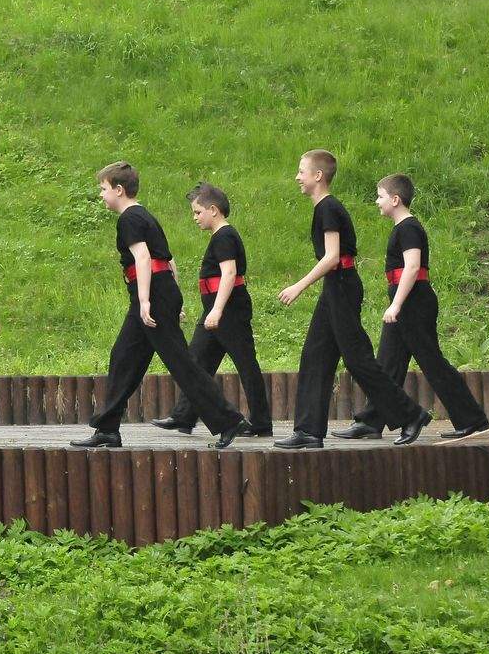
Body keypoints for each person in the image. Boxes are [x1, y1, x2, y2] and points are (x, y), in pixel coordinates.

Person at [73, 162, 247, 449]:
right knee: (123, 357)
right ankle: (107, 429)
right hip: (158, 293)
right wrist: (172, 300)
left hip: (151, 295)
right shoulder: (144, 216)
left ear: (119, 190)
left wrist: (145, 301)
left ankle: (229, 421)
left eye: (103, 189)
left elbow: (143, 258)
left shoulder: (129, 218)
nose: (101, 194)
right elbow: (169, 260)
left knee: (181, 362)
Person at [276, 150, 430, 449]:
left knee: (358, 359)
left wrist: (299, 286)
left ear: (318, 175)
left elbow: (332, 257)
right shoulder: (324, 208)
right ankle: (308, 431)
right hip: (336, 286)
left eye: (301, 171)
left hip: (342, 286)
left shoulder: (328, 208)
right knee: (315, 355)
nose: (297, 177)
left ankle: (411, 415)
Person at [332, 174, 489, 440]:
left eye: (380, 196)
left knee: (431, 361)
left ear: (395, 199)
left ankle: (472, 419)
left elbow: (413, 266)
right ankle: (372, 420)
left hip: (413, 302)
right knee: (388, 363)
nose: (377, 201)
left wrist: (396, 305)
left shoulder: (409, 228)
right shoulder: (402, 228)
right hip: (406, 301)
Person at [152, 183, 272, 436]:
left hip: (229, 310)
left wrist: (217, 310)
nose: (194, 217)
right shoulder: (219, 237)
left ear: (214, 210)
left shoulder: (225, 236)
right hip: (214, 308)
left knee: (245, 363)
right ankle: (184, 416)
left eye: (198, 212)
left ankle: (261, 423)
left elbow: (229, 273)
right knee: (196, 360)